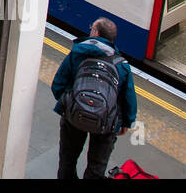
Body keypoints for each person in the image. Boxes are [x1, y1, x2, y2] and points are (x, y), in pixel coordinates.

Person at [52, 17, 137, 180]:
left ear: (96, 33)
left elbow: (58, 85)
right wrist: (126, 122)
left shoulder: (76, 54)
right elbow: (129, 98)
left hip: (74, 117)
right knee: (96, 169)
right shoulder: (122, 64)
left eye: (92, 27)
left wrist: (69, 105)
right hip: (106, 122)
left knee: (67, 163)